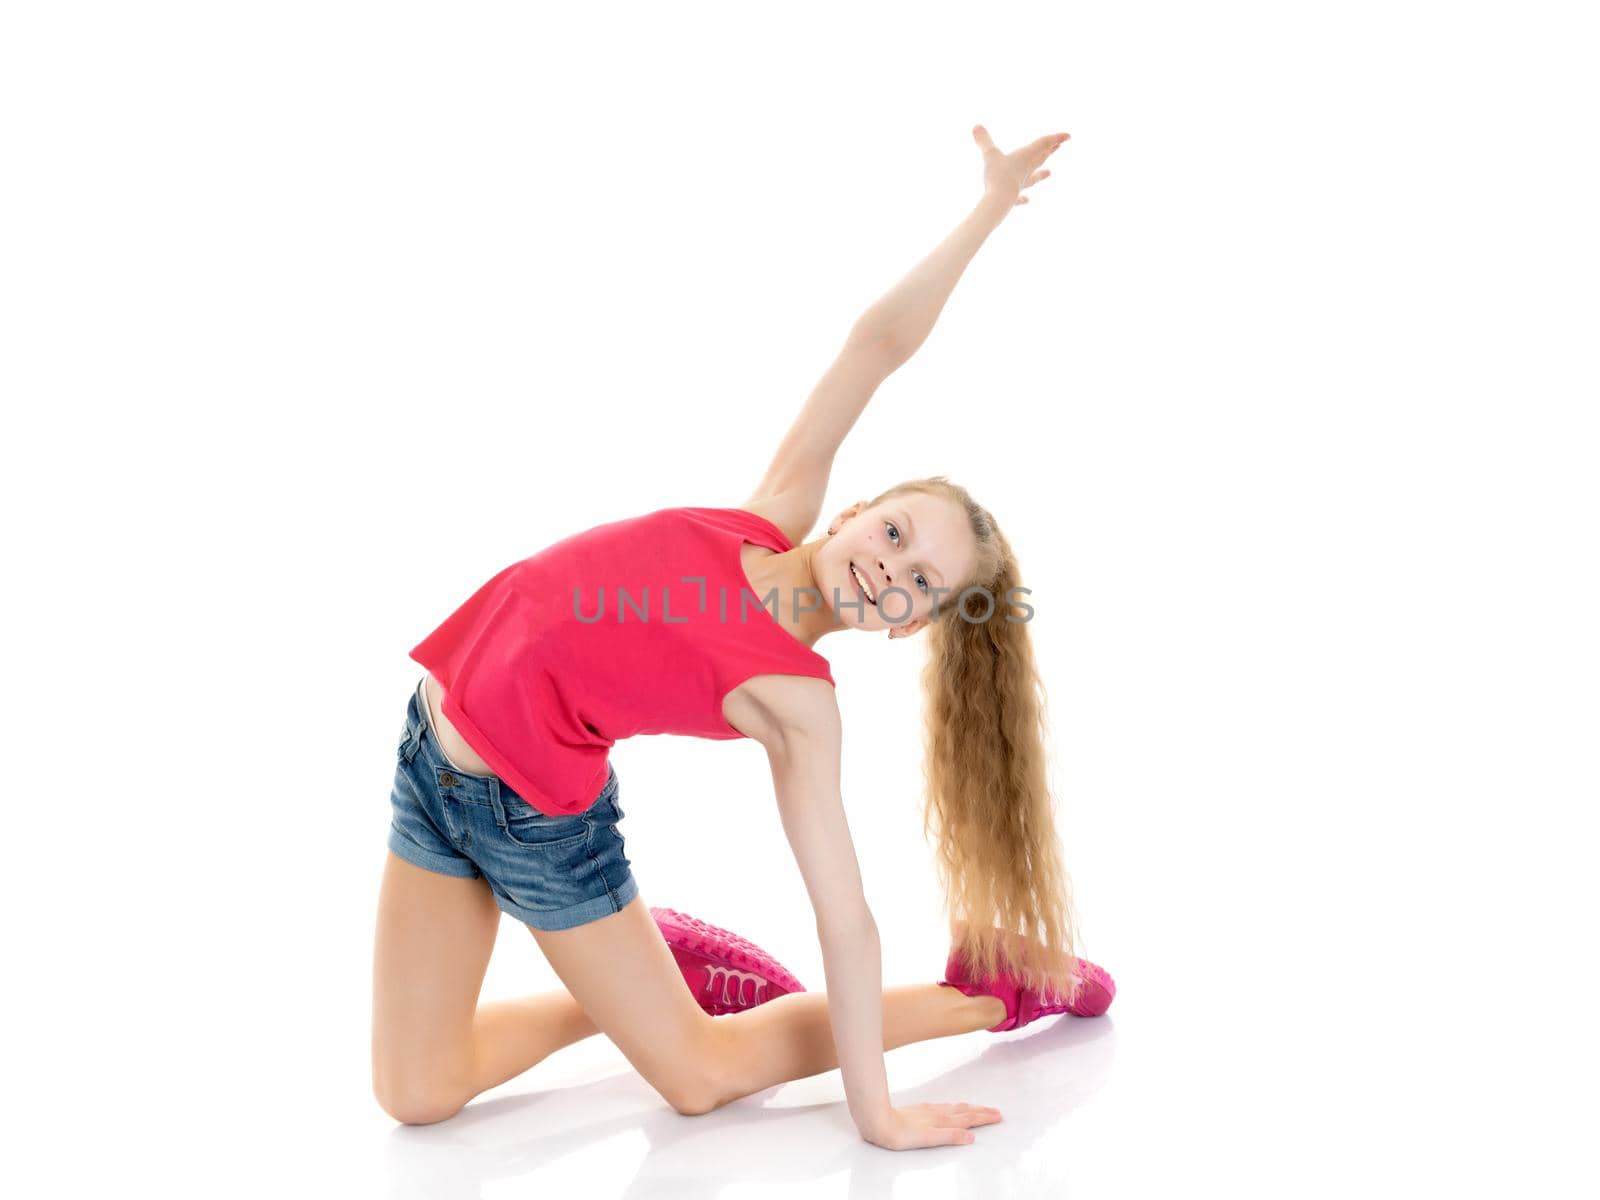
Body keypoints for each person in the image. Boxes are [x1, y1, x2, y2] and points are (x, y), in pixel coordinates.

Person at [371, 123, 1115, 1152]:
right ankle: (647, 979)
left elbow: (843, 920)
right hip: (431, 758)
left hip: (533, 822)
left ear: (909, 630)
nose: (886, 569)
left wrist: (877, 1113)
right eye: (892, 533)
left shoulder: (798, 704)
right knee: (416, 1093)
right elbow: (876, 345)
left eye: (918, 586)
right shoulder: (770, 511)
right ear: (852, 509)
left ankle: (989, 993)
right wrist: (989, 207)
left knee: (700, 1078)